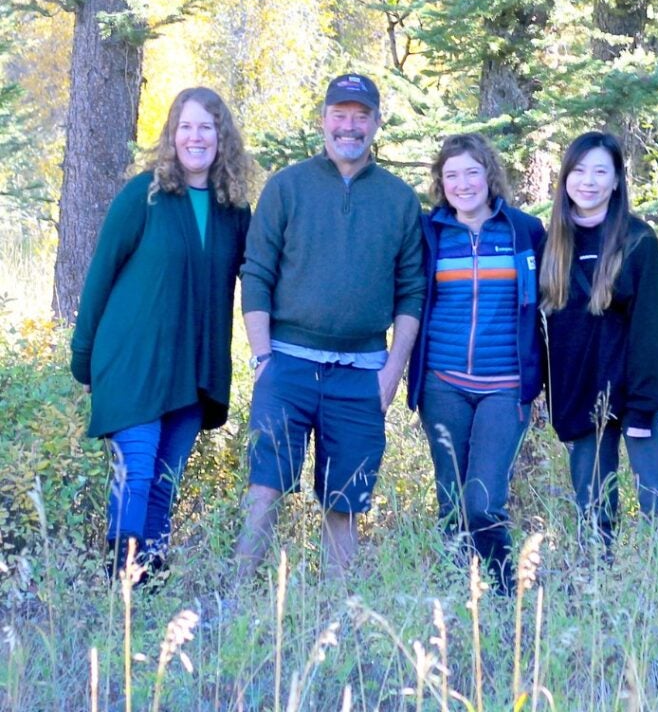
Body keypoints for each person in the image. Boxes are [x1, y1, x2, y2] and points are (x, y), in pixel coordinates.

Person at [236, 73, 425, 578]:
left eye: (360, 116)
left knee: (345, 502)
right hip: (287, 364)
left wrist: (392, 372)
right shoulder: (287, 187)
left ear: (375, 124)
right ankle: (233, 603)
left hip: (362, 371)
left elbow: (412, 291)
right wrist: (262, 360)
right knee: (266, 488)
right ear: (323, 120)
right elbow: (255, 274)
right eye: (339, 116)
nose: (349, 126)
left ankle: (338, 616)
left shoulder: (399, 200)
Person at [70, 87, 252, 583]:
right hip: (133, 363)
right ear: (172, 135)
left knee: (164, 484)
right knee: (138, 473)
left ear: (222, 137)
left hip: (192, 370)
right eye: (185, 127)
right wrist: (82, 357)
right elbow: (100, 274)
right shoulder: (143, 194)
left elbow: (257, 277)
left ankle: (148, 586)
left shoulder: (234, 211)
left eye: (206, 128)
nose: (195, 137)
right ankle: (122, 583)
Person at [407, 133, 546, 594]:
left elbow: (555, 301)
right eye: (451, 175)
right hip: (442, 386)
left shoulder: (524, 231)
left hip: (505, 387)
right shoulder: (429, 234)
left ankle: (507, 590)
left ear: (490, 175)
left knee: (483, 499)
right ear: (439, 182)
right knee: (451, 497)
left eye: (472, 172)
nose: (462, 183)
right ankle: (455, 593)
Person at [539, 131, 658, 549]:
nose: (589, 181)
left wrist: (641, 410)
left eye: (601, 170)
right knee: (593, 512)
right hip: (584, 401)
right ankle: (596, 597)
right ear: (565, 178)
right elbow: (547, 334)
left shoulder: (639, 242)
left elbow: (655, 332)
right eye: (579, 170)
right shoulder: (552, 247)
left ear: (617, 180)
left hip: (643, 401)